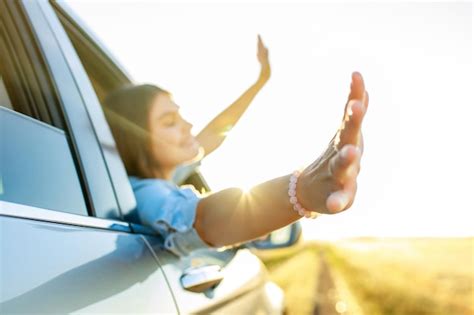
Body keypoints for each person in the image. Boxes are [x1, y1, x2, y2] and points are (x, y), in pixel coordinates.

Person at [103, 39, 369, 257]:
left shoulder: (165, 176)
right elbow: (204, 221)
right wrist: (302, 190)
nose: (188, 125)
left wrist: (260, 82)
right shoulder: (148, 193)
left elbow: (217, 132)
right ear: (135, 139)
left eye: (181, 115)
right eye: (170, 122)